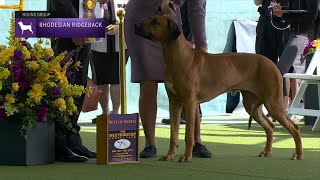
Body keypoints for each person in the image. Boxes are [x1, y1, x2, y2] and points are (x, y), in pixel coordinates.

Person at [124, 0, 212, 158]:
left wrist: (201, 44)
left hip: (169, 23)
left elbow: (197, 8)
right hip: (142, 18)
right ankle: (150, 144)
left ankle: (196, 141)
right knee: (148, 82)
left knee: (188, 85)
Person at [49, 0, 97, 162]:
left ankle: (73, 139)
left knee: (79, 84)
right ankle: (59, 143)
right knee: (63, 85)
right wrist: (74, 25)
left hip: (84, 23)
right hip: (65, 24)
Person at [161, 0, 203, 125]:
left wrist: (197, 41)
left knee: (190, 84)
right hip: (178, 28)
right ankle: (184, 115)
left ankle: (195, 120)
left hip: (187, 35)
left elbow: (197, 10)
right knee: (183, 83)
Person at [272, 0, 318, 110]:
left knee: (283, 69)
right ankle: (307, 111)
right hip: (293, 33)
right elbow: (285, 16)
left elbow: (310, 16)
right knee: (300, 73)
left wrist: (284, 15)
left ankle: (281, 109)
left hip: (303, 33)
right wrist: (279, 13)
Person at [91, 0, 129, 124]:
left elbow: (132, 17)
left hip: (120, 45)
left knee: (116, 79)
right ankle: (104, 113)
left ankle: (115, 112)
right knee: (101, 79)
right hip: (97, 44)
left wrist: (120, 26)